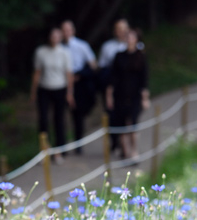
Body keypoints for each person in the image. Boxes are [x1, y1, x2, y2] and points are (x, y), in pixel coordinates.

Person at [30, 28, 74, 164]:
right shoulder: (41, 52)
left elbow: (68, 74)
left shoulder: (64, 52)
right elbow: (37, 72)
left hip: (60, 89)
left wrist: (70, 93)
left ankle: (59, 151)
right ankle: (44, 150)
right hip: (44, 89)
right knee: (43, 120)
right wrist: (33, 92)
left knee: (59, 120)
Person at [106, 29, 150, 162]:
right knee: (122, 124)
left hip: (135, 95)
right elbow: (112, 77)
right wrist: (109, 95)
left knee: (133, 123)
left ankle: (134, 151)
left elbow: (144, 79)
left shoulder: (141, 56)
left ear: (137, 39)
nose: (130, 40)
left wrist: (145, 98)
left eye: (132, 37)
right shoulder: (119, 56)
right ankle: (125, 152)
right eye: (128, 37)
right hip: (120, 94)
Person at [60, 20, 97, 154]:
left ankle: (78, 144)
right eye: (64, 30)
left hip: (79, 83)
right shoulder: (59, 47)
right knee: (61, 115)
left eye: (68, 30)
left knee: (78, 115)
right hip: (62, 83)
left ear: (73, 31)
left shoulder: (82, 46)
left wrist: (80, 75)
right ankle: (62, 146)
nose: (66, 33)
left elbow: (93, 65)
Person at [98, 19, 130, 153]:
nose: (121, 32)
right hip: (112, 85)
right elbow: (102, 67)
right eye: (118, 28)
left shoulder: (134, 45)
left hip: (127, 87)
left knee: (127, 115)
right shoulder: (107, 47)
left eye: (123, 28)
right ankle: (114, 141)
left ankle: (126, 146)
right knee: (111, 114)